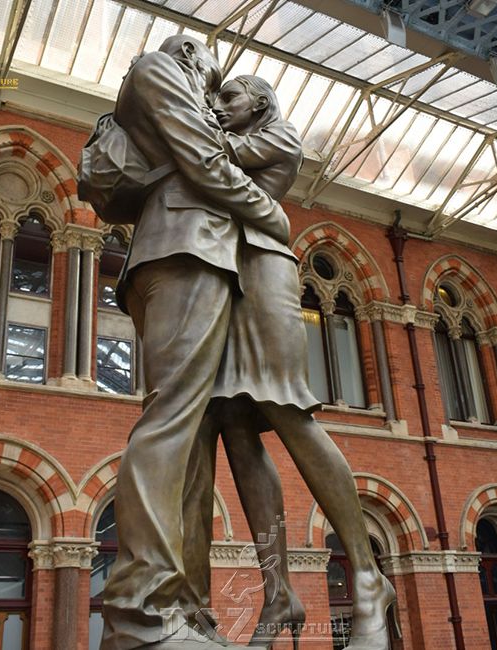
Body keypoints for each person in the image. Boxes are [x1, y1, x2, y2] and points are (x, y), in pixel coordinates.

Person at [182, 76, 397, 650]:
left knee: (286, 406)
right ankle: (278, 590)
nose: (219, 106)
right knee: (230, 425)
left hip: (264, 270)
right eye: (217, 99)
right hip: (221, 277)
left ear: (260, 102)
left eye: (230, 98)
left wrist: (166, 100)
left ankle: (369, 579)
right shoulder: (238, 132)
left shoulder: (279, 137)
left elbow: (206, 154)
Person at [101, 38, 291, 650]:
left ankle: (186, 609)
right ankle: (144, 607)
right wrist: (272, 216)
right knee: (172, 423)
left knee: (190, 443)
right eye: (216, 83)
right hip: (185, 249)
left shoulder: (171, 88)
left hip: (188, 253)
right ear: (195, 57)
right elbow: (206, 161)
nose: (215, 96)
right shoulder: (161, 71)